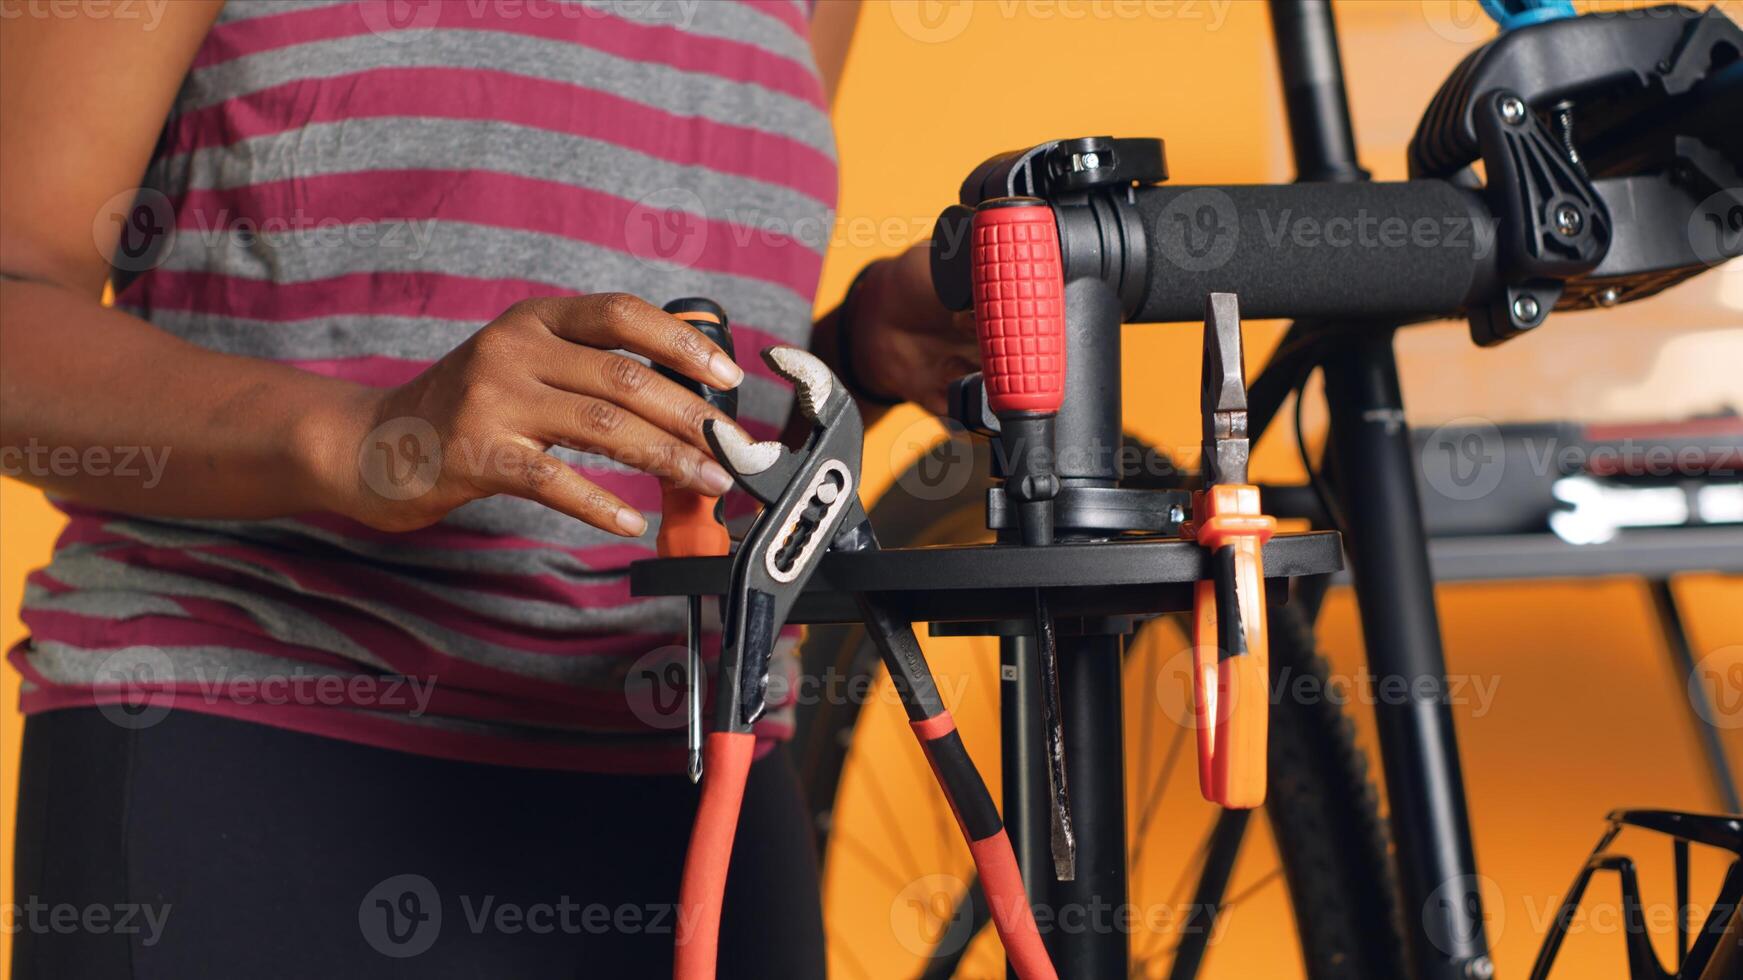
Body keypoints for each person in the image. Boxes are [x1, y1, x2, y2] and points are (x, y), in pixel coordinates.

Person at [0, 2, 976, 976]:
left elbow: (695, 382)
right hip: (258, 753)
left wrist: (850, 356)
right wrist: (361, 437)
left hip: (700, 775)